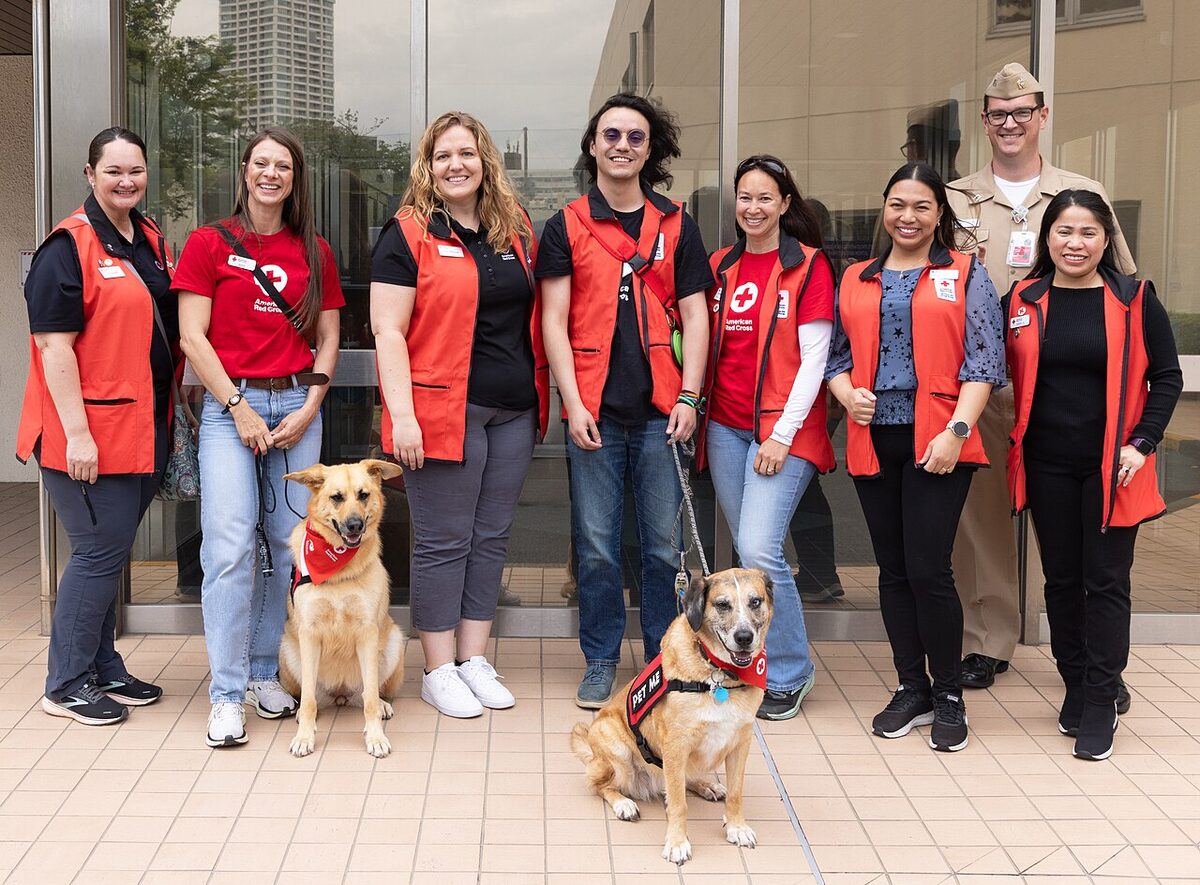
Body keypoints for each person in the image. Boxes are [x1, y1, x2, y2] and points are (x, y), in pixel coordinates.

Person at [947, 63, 1137, 695]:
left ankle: (1093, 660)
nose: (1010, 123)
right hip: (982, 387)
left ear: (1042, 117)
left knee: (1081, 531)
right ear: (984, 120)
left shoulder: (1083, 193)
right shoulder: (955, 198)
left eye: (1022, 112)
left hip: (1060, 392)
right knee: (981, 522)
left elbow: (1124, 291)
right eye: (998, 114)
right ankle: (989, 639)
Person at [371, 111, 548, 719]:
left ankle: (474, 657)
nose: (456, 165)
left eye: (467, 154)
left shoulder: (514, 228)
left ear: (485, 161)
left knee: (492, 536)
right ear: (428, 164)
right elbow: (388, 331)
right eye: (444, 155)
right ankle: (438, 667)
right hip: (442, 411)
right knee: (444, 541)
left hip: (513, 411)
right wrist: (404, 416)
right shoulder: (408, 233)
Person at [539, 93, 713, 709]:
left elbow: (696, 316)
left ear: (649, 149)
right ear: (593, 146)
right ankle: (602, 659)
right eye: (610, 135)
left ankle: (668, 660)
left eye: (635, 137)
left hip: (663, 413)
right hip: (594, 414)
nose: (621, 145)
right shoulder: (565, 224)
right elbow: (553, 322)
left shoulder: (676, 223)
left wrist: (690, 396)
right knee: (596, 544)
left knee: (664, 548)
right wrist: (572, 402)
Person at [826, 163, 1005, 752]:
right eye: (898, 204)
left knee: (930, 569)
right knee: (894, 569)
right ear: (885, 208)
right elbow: (835, 356)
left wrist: (956, 430)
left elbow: (986, 362)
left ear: (939, 215)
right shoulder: (856, 276)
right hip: (875, 436)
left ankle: (948, 692)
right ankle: (912, 687)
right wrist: (847, 393)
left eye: (922, 206)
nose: (908, 216)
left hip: (940, 438)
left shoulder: (965, 271)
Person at [175, 127, 343, 747]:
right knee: (228, 547)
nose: (271, 174)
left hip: (298, 403)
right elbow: (194, 337)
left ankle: (260, 671)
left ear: (295, 179)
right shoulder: (208, 244)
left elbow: (327, 337)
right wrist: (239, 405)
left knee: (292, 545)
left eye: (284, 167)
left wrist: (310, 406)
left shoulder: (314, 251)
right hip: (229, 407)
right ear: (245, 172)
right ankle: (224, 695)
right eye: (261, 164)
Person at [1006, 189, 1181, 760]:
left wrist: (1143, 442)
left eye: (1087, 233)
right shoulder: (1024, 298)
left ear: (1106, 240)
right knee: (1060, 580)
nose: (1074, 243)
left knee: (1105, 582)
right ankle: (1077, 681)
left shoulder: (1135, 298)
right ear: (1045, 239)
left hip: (1115, 466)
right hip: (1047, 463)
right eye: (1063, 232)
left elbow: (1168, 377)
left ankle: (1103, 699)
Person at [18, 127, 172, 725]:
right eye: (113, 171)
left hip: (141, 427)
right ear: (90, 174)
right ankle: (66, 683)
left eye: (135, 170)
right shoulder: (67, 247)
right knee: (95, 553)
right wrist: (78, 434)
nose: (126, 180)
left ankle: (103, 665)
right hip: (86, 436)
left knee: (110, 552)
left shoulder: (147, 237)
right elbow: (54, 348)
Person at [699, 155, 835, 720]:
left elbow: (815, 360)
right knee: (746, 555)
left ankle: (789, 671)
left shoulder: (808, 266)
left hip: (783, 432)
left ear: (784, 204)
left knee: (758, 550)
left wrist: (781, 434)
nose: (753, 208)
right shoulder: (720, 265)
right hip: (725, 429)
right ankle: (747, 660)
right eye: (745, 197)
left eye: (765, 198)